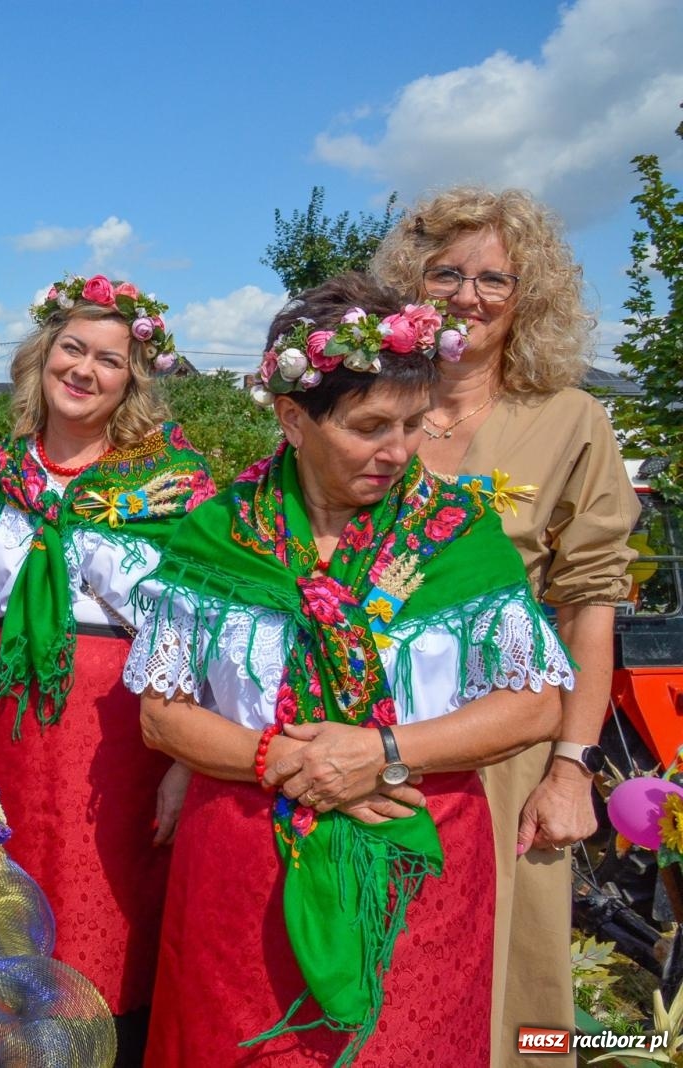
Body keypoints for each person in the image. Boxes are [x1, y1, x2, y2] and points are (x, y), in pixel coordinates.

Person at [128, 274, 568, 1066]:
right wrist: (285, 758)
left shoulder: (459, 537)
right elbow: (162, 716)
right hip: (244, 868)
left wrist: (383, 752)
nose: (398, 452)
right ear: (294, 420)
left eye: (413, 424)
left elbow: (535, 706)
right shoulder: (214, 537)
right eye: (370, 427)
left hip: (416, 868)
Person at [372, 188, 640, 1063]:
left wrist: (571, 767)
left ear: (528, 296)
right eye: (446, 272)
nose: (468, 295)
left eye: (494, 278)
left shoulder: (569, 418)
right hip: (373, 732)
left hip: (508, 743)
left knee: (517, 971)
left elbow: (589, 605)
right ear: (413, 284)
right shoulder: (371, 405)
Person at [0, 273, 214, 1066]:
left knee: (112, 900)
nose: (85, 370)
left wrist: (182, 765)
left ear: (133, 379)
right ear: (42, 357)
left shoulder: (176, 487)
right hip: (3, 720)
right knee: (0, 887)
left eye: (109, 359)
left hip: (123, 731)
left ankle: (106, 1046)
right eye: (73, 348)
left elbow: (196, 638)